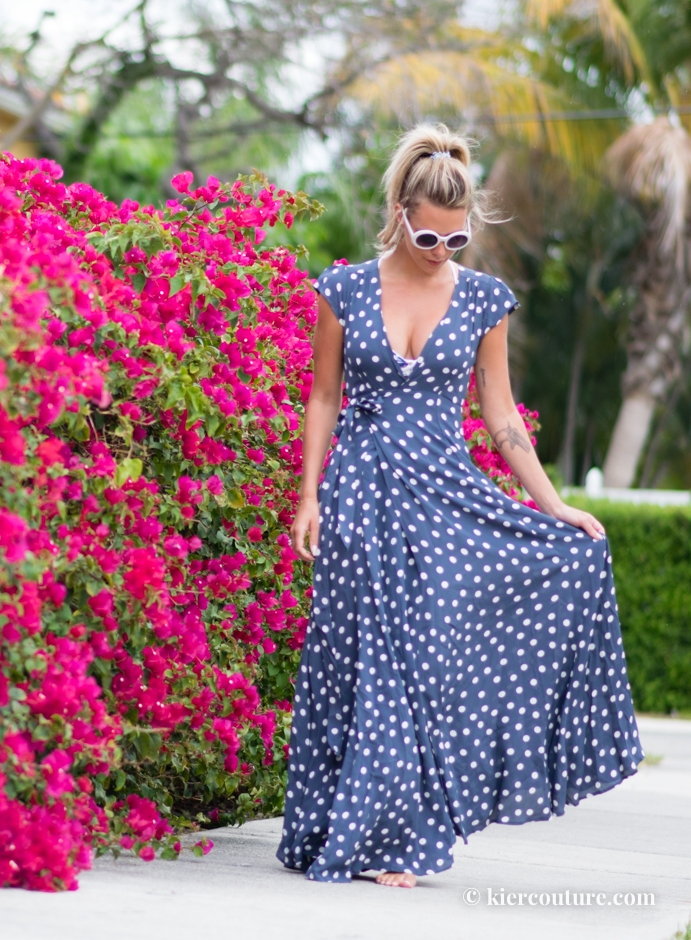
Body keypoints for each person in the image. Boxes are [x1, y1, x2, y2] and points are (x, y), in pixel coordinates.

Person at [276, 124, 643, 887]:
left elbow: (503, 420)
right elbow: (321, 396)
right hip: (363, 495)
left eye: (457, 237)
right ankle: (368, 843)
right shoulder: (343, 288)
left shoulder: (482, 300)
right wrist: (306, 495)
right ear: (400, 209)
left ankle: (392, 833)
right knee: (372, 661)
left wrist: (555, 508)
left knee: (428, 664)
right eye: (428, 234)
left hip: (445, 499)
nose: (442, 249)